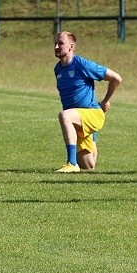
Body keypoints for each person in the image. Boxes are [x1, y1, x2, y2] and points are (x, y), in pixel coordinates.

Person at [53, 31, 122, 172]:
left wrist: (105, 101)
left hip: (92, 113)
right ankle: (90, 135)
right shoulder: (58, 68)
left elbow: (116, 78)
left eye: (60, 43)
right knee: (88, 165)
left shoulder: (82, 64)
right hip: (78, 118)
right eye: (55, 43)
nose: (56, 47)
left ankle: (71, 163)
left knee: (64, 115)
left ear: (71, 46)